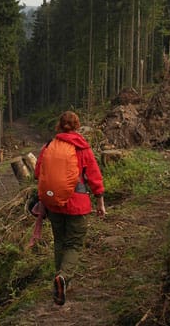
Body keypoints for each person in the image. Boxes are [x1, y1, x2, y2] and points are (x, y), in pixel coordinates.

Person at [34, 111, 106, 306]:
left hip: (54, 204)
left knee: (59, 242)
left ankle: (60, 281)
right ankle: (64, 278)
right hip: (78, 205)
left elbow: (37, 172)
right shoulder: (82, 148)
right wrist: (100, 200)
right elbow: (94, 176)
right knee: (73, 244)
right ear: (77, 126)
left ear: (59, 125)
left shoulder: (49, 145)